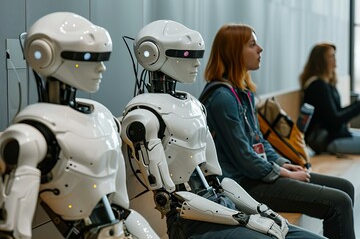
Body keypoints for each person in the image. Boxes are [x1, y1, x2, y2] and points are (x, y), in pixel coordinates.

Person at [121, 19, 326, 239]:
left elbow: (217, 179)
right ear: (152, 54)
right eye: (188, 56)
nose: (197, 63)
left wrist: (260, 210)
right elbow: (169, 200)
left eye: (199, 55)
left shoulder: (195, 106)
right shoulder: (143, 116)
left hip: (220, 205)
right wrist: (243, 218)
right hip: (192, 222)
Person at [0, 12, 158, 239]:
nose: (101, 68)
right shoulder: (31, 135)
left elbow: (122, 210)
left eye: (102, 58)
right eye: (87, 58)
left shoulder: (102, 117)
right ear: (44, 56)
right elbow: (13, 230)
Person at [200, 23, 355, 239]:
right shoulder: (222, 98)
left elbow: (259, 141)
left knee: (345, 187)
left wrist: (283, 163)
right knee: (339, 202)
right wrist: (283, 172)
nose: (260, 49)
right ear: (234, 52)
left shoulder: (243, 93)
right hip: (243, 185)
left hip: (260, 175)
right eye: (252, 45)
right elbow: (245, 158)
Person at [300, 42, 360, 154]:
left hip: (334, 136)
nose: (335, 59)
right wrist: (357, 107)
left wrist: (357, 105)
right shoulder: (318, 86)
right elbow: (334, 120)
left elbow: (335, 113)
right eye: (331, 56)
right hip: (327, 140)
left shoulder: (326, 84)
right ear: (321, 61)